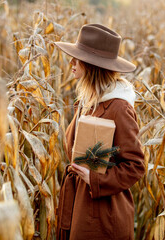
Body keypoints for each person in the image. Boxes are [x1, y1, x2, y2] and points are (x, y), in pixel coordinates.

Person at [54, 24, 145, 240]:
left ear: (91, 64)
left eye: (76, 58)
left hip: (103, 215)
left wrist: (94, 178)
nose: (71, 63)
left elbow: (135, 166)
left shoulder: (119, 108)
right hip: (79, 205)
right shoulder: (87, 102)